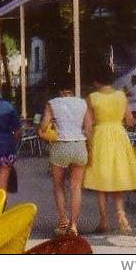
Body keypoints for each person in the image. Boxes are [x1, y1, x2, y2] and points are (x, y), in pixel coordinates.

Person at [83, 68, 136, 235]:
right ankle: (121, 215)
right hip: (119, 136)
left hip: (100, 137)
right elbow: (130, 121)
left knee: (100, 182)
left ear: (96, 82)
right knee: (117, 178)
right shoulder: (121, 96)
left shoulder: (92, 98)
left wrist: (88, 146)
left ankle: (103, 221)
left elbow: (88, 126)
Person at [39, 80, 91, 237]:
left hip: (60, 146)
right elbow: (88, 128)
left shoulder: (52, 104)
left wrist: (50, 128)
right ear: (73, 89)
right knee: (76, 187)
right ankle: (74, 225)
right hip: (79, 145)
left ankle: (63, 221)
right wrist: (90, 148)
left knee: (59, 186)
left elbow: (43, 127)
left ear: (59, 90)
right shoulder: (83, 103)